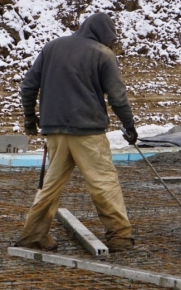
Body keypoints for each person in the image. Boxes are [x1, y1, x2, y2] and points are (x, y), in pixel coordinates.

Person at [16, 13, 138, 252]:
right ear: (103, 34)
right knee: (103, 183)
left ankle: (34, 236)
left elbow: (28, 85)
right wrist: (129, 126)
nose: (110, 43)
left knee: (50, 185)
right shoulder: (103, 54)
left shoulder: (52, 47)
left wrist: (30, 119)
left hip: (55, 132)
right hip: (88, 133)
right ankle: (120, 238)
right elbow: (117, 97)